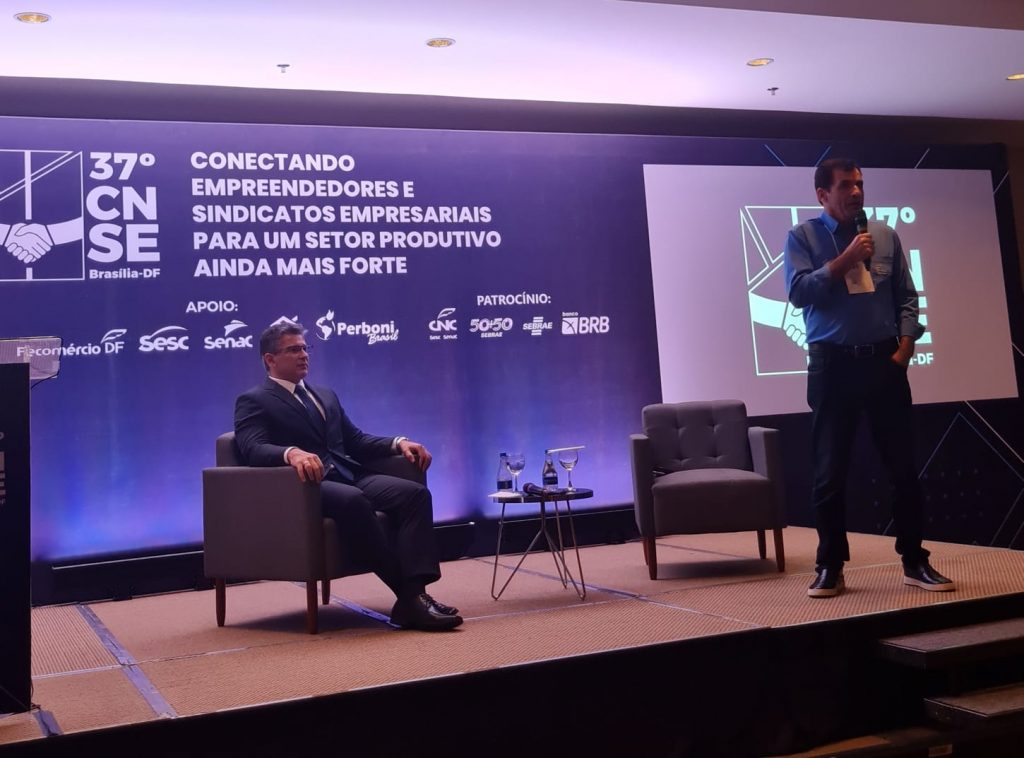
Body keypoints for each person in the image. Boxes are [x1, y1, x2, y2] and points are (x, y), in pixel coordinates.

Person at [783, 158, 955, 598]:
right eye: (845, 186)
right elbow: (799, 293)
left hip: (883, 362)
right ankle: (830, 566)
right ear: (822, 195)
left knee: (903, 468)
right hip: (832, 365)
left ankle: (915, 561)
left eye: (859, 184)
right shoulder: (802, 237)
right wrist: (843, 261)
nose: (856, 192)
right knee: (830, 472)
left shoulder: (884, 235)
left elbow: (906, 297)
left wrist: (905, 347)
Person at [234, 322, 463, 630]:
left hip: (347, 475)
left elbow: (354, 441)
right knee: (354, 500)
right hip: (306, 487)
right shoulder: (254, 400)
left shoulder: (324, 395)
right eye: (293, 349)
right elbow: (253, 448)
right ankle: (411, 598)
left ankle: (415, 596)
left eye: (305, 348)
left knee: (414, 495)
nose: (304, 355)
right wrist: (291, 453)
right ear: (270, 359)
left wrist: (397, 443)